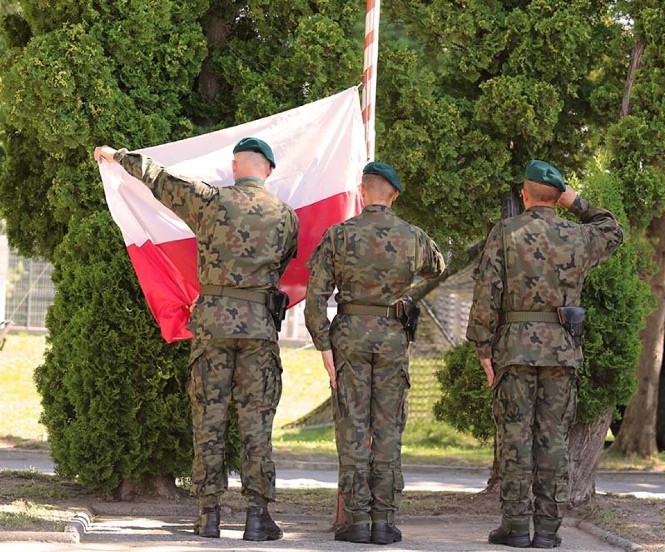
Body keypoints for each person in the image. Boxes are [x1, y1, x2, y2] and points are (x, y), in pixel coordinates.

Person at [93, 138, 299, 542]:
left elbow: (160, 177)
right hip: (259, 327)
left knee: (209, 418)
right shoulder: (286, 217)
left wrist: (116, 156)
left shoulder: (210, 201)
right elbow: (285, 259)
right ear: (268, 170)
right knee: (256, 422)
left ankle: (209, 515)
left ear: (235, 165)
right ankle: (258, 517)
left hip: (212, 326)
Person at [466, 160, 624, 548]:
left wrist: (483, 348)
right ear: (557, 196)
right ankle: (549, 530)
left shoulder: (505, 232)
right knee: (553, 438)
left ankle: (516, 527)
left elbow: (486, 293)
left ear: (524, 195)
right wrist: (576, 202)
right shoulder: (577, 235)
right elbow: (613, 230)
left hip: (514, 350)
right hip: (561, 351)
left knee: (515, 437)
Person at [304, 162, 445, 545]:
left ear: (362, 192)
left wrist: (322, 345)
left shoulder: (339, 235)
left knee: (352, 427)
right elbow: (437, 266)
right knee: (387, 428)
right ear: (394, 194)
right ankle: (383, 520)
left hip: (348, 335)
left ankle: (355, 520)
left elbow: (315, 296)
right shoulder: (412, 236)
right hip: (393, 338)